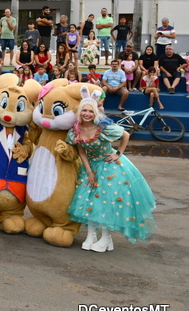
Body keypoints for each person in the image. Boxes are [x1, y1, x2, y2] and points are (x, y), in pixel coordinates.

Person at [67, 96, 156, 252]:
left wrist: (118, 154)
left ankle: (106, 238)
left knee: (106, 202)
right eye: (84, 110)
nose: (87, 114)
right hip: (91, 166)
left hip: (109, 167)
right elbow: (81, 152)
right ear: (80, 112)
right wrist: (89, 171)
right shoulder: (75, 130)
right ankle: (91, 235)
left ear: (95, 113)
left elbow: (125, 135)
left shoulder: (103, 127)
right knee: (88, 201)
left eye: (91, 111)